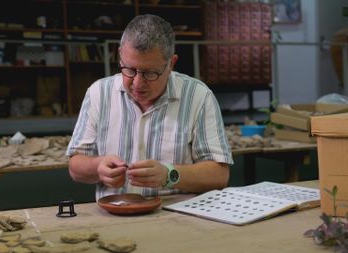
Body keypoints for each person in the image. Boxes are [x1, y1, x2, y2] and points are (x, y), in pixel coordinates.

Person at [66, 14, 233, 200]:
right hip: (114, 214)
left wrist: (169, 175)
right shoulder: (98, 93)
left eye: (150, 73)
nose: (137, 83)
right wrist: (98, 167)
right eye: (129, 70)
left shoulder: (198, 97)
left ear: (171, 64)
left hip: (178, 217)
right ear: (120, 54)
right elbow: (75, 167)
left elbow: (219, 175)